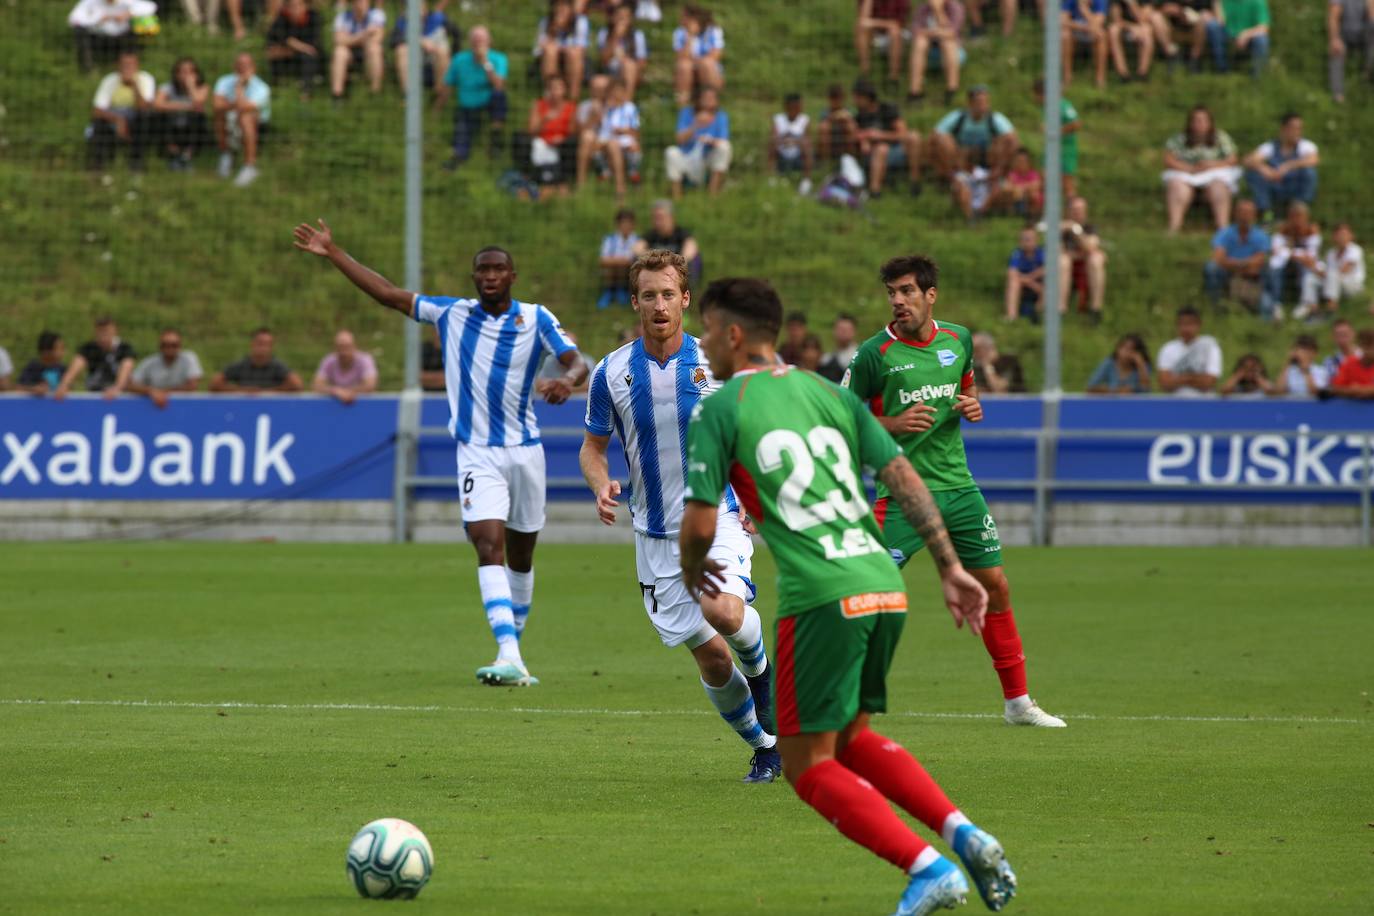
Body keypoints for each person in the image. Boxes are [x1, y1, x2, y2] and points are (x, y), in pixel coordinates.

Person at [682, 275, 1016, 916]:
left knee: (807, 765)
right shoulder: (824, 393)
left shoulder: (721, 407)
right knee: (854, 740)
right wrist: (948, 565)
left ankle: (926, 870)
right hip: (882, 583)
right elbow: (902, 476)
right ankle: (963, 832)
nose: (702, 343)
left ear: (731, 335)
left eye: (706, 329)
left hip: (820, 597)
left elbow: (699, 522)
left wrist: (693, 567)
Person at [293, 220, 588, 686]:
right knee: (486, 544)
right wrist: (334, 253)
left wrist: (566, 382)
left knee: (522, 556)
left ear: (513, 276)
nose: (490, 276)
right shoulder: (450, 314)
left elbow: (579, 362)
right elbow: (388, 294)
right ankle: (510, 654)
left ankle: (511, 647)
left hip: (525, 452)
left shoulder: (536, 318)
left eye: (499, 269)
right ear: (474, 278)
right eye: (482, 270)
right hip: (477, 453)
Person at [580, 250, 782, 784]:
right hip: (653, 536)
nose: (659, 304)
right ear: (635, 302)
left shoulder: (718, 363)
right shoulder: (612, 371)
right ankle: (766, 747)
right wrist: (602, 486)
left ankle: (765, 678)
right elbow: (592, 448)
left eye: (668, 293)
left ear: (686, 299)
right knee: (713, 661)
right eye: (649, 295)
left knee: (724, 612)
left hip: (718, 517)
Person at [845, 254, 1065, 727]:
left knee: (995, 585)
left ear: (930, 295)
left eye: (906, 291)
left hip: (959, 489)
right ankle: (837, 701)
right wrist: (892, 422)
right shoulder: (872, 355)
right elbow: (838, 421)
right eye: (891, 293)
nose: (897, 301)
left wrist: (972, 404)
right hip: (900, 495)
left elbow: (966, 387)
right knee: (864, 590)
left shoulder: (958, 339)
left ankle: (1017, 703)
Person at [438, 26, 508, 171]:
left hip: (489, 101)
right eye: (475, 40)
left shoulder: (499, 58)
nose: (478, 44)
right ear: (470, 43)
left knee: (499, 95)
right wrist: (438, 107)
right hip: (468, 105)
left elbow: (499, 85)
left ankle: (496, 137)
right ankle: (458, 157)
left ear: (489, 42)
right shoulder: (459, 59)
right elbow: (448, 85)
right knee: (462, 127)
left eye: (482, 40)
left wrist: (485, 63)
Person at [1162, 104, 1241, 234]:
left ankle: (1223, 228)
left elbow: (1232, 159)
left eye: (1203, 120)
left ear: (1210, 122)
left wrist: (1212, 165)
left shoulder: (1220, 137)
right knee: (1176, 186)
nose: (1199, 124)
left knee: (1219, 187)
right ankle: (1174, 227)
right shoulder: (1179, 138)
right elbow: (1168, 159)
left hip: (1213, 175)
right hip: (1187, 175)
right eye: (1196, 120)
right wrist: (1189, 168)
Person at [931, 86, 1018, 186]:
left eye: (986, 102)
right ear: (970, 103)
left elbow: (1012, 138)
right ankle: (949, 176)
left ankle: (998, 175)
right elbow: (936, 134)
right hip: (960, 157)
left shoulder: (995, 118)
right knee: (943, 139)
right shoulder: (959, 116)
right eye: (979, 102)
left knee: (1008, 140)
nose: (983, 106)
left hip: (988, 156)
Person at [86, 51, 155, 172]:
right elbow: (97, 111)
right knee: (98, 123)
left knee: (145, 118)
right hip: (114, 119)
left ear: (137, 65)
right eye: (124, 65)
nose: (127, 68)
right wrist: (118, 120)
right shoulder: (110, 80)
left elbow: (144, 107)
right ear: (118, 65)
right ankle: (98, 166)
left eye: (130, 65)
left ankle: (137, 163)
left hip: (136, 120)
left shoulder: (145, 79)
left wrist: (134, 86)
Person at [1243, 113, 1319, 222]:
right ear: (1284, 129)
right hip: (1275, 184)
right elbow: (1249, 160)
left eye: (1299, 128)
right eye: (1294, 128)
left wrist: (1288, 165)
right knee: (1254, 174)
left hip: (1294, 186)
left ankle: (1301, 208)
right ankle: (1265, 211)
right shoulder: (1270, 147)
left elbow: (1313, 159)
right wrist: (1264, 169)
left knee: (1309, 172)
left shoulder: (1305, 146)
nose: (1297, 132)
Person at [852, 81, 922, 197]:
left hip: (897, 149)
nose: (855, 101)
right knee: (882, 149)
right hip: (875, 153)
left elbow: (902, 133)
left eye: (857, 98)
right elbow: (857, 134)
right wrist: (864, 140)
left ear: (867, 98)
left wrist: (878, 135)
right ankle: (875, 191)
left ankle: (915, 181)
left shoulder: (887, 109)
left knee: (914, 137)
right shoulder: (858, 116)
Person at [213, 52, 272, 188]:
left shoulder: (262, 88)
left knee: (245, 116)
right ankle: (226, 154)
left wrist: (238, 88)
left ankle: (249, 165)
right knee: (219, 114)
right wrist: (235, 105)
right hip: (229, 120)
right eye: (239, 64)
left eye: (246, 65)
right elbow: (216, 105)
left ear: (253, 68)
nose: (242, 68)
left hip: (256, 125)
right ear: (234, 66)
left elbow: (244, 108)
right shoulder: (224, 81)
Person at [1204, 198, 1270, 313]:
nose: (1245, 216)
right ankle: (1216, 304)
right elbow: (1217, 258)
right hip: (1229, 273)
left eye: (1248, 213)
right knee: (1211, 268)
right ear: (1235, 214)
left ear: (1254, 216)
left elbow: (1259, 261)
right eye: (1242, 212)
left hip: (1250, 277)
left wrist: (1232, 263)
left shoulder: (1261, 236)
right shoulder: (1224, 233)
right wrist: (1243, 264)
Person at [666, 87, 732, 199]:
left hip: (708, 156)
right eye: (705, 98)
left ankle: (713, 193)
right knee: (671, 152)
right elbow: (679, 139)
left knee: (724, 147)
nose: (708, 101)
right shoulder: (686, 113)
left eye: (712, 98)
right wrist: (695, 125)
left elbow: (723, 140)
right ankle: (677, 196)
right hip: (687, 154)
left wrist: (709, 140)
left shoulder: (721, 116)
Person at [55, 316, 136, 400]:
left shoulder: (125, 349)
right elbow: (75, 367)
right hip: (94, 393)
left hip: (119, 395)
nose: (103, 336)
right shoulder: (88, 348)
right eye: (100, 332)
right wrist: (64, 385)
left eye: (106, 332)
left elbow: (126, 369)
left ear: (115, 331)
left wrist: (117, 387)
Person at [1265, 202, 1322, 322]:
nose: (1297, 220)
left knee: (1305, 267)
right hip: (1285, 265)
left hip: (1303, 265)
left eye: (1300, 216)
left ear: (1306, 218)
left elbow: (1311, 256)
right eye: (1294, 216)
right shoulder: (1282, 231)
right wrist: (1296, 255)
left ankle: (1305, 302)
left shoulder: (1312, 232)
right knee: (1274, 268)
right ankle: (1277, 304)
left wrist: (1290, 253)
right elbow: (1276, 251)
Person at [588, 78, 641, 202]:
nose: (616, 95)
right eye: (614, 92)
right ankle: (620, 188)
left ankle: (619, 187)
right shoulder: (604, 109)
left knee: (615, 145)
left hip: (625, 143)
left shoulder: (630, 108)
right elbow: (602, 133)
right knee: (611, 144)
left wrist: (624, 131)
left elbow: (635, 132)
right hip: (607, 143)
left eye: (619, 92)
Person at [153, 57, 210, 171]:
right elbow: (157, 104)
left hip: (190, 127)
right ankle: (174, 155)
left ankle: (187, 156)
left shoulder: (202, 87)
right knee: (160, 116)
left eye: (190, 72)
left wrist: (191, 86)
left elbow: (198, 104)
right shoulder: (167, 87)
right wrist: (187, 106)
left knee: (199, 116)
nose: (187, 75)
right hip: (172, 126)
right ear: (176, 74)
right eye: (183, 72)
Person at [210, 327, 303, 393]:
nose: (263, 348)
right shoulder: (241, 365)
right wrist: (241, 391)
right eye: (260, 343)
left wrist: (269, 392)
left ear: (272, 347)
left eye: (267, 344)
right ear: (252, 344)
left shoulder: (277, 366)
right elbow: (214, 384)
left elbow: (297, 384)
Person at [1058, 196, 1108, 318]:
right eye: (1074, 209)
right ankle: (1060, 309)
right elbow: (1055, 250)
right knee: (1062, 261)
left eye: (1080, 209)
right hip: (1067, 264)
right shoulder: (1061, 228)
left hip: (1086, 264)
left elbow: (1090, 248)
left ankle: (1095, 309)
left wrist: (1076, 231)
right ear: (1068, 211)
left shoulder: (1090, 228)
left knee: (1096, 260)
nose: (1077, 213)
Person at [908, 0, 966, 105]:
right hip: (929, 50)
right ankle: (915, 91)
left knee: (948, 43)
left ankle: (951, 89)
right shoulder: (923, 9)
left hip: (952, 51)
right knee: (920, 43)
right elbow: (916, 31)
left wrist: (938, 11)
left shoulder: (955, 7)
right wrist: (936, 33)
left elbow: (952, 32)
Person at [127, 328, 203, 408]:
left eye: (174, 345)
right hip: (153, 409)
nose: (170, 348)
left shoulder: (189, 358)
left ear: (180, 345)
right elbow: (130, 385)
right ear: (160, 346)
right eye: (166, 345)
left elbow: (192, 386)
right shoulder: (149, 362)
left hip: (184, 408)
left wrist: (162, 393)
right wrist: (151, 391)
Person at [1156, 305, 1222, 395]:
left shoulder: (1210, 346)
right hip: (1175, 404)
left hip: (1204, 404)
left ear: (1199, 325)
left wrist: (1179, 379)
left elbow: (1209, 383)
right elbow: (1164, 383)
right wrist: (1195, 379)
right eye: (1182, 324)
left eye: (1190, 324)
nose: (1185, 328)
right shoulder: (1168, 348)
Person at [526, 75, 577, 189]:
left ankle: (563, 179)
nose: (555, 92)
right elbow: (531, 131)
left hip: (561, 144)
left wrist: (562, 139)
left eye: (558, 88)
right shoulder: (539, 105)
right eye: (552, 88)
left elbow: (573, 131)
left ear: (564, 90)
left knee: (572, 142)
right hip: (541, 141)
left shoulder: (571, 107)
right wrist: (544, 121)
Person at [1031, 79, 1079, 199]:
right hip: (1052, 150)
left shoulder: (1062, 105)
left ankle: (1072, 213)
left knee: (1067, 183)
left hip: (1066, 150)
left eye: (1037, 95)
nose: (1035, 98)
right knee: (1045, 179)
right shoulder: (1046, 108)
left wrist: (1055, 132)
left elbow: (1076, 124)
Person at [391, 1, 451, 96]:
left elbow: (457, 34)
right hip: (414, 63)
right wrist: (419, 40)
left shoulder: (437, 18)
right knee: (401, 50)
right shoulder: (402, 22)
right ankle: (408, 95)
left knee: (443, 52)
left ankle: (439, 94)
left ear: (425, 7)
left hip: (435, 61)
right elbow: (394, 40)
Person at [534, 0, 590, 101]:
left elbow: (581, 48)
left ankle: (573, 98)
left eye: (565, 6)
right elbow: (539, 49)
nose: (561, 9)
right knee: (550, 51)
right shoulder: (545, 22)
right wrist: (553, 31)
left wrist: (562, 47)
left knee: (573, 54)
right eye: (558, 5)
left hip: (573, 58)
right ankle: (550, 94)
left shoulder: (580, 21)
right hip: (550, 57)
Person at [330, 0, 386, 101]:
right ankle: (337, 95)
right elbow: (338, 40)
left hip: (367, 51)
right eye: (358, 2)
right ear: (352, 4)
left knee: (375, 49)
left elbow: (378, 38)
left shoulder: (376, 15)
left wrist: (350, 39)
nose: (361, 5)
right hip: (350, 53)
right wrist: (364, 35)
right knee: (339, 52)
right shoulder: (342, 17)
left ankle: (375, 93)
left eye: (364, 2)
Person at [266, 0, 323, 97]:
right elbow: (270, 51)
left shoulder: (314, 17)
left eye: (299, 5)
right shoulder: (281, 19)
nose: (295, 9)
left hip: (310, 61)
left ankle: (306, 93)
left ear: (306, 5)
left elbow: (313, 49)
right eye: (291, 6)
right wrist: (299, 46)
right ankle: (279, 87)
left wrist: (290, 43)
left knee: (308, 57)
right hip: (288, 61)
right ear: (287, 8)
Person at [634, 200, 701, 283]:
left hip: (677, 275)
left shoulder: (682, 234)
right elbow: (637, 248)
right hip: (654, 274)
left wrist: (672, 265)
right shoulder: (650, 235)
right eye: (655, 218)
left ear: (671, 217)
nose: (657, 221)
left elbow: (690, 249)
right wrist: (654, 262)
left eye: (660, 217)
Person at [672, 4, 725, 106]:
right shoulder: (679, 33)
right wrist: (690, 37)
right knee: (684, 65)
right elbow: (681, 57)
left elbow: (716, 56)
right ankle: (682, 102)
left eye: (684, 17)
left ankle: (710, 100)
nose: (681, 19)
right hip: (690, 69)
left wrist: (697, 61)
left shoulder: (713, 30)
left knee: (707, 63)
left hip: (708, 69)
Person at [69, 0, 142, 73]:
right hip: (97, 38)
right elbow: (74, 19)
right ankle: (88, 69)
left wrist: (130, 14)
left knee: (143, 25)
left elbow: (149, 7)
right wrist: (97, 19)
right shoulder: (89, 2)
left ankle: (131, 67)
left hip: (123, 37)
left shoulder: (127, 2)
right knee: (80, 32)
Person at [1315, 222, 1367, 318]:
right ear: (1334, 237)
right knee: (1311, 279)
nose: (1341, 237)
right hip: (1335, 284)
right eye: (1338, 235)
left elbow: (1344, 270)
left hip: (1353, 286)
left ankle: (1331, 308)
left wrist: (1324, 274)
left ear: (1351, 236)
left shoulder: (1356, 250)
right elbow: (1326, 272)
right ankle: (1312, 308)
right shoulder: (1330, 253)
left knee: (1332, 275)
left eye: (1344, 234)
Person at [596, 2, 648, 97]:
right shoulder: (604, 33)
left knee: (629, 66)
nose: (622, 20)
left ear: (631, 19)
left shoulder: (638, 35)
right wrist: (615, 38)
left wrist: (625, 61)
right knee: (597, 82)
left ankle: (627, 105)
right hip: (610, 73)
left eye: (625, 17)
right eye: (619, 16)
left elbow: (642, 63)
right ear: (613, 17)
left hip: (630, 73)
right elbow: (603, 60)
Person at [312, 329, 378, 404]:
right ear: (335, 348)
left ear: (354, 346)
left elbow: (370, 385)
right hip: (334, 408)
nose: (344, 352)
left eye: (347, 347)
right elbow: (317, 385)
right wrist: (335, 391)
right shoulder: (329, 360)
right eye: (340, 347)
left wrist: (349, 392)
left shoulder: (365, 360)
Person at [1206, 0, 1269, 77]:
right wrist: (1217, 3)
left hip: (1249, 39)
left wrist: (1246, 34)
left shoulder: (1258, 2)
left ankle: (1257, 76)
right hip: (1228, 35)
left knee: (1261, 39)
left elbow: (1264, 28)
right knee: (1213, 26)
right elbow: (1220, 21)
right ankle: (1222, 71)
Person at [1328, 0, 1374, 103]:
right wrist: (1334, 39)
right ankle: (1338, 94)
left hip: (1364, 34)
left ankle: (1367, 75)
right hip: (1344, 34)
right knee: (1335, 52)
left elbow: (1372, 20)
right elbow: (1333, 17)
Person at [856, 0, 910, 84]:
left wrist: (873, 22)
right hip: (877, 32)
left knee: (895, 32)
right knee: (861, 29)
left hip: (899, 32)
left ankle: (893, 79)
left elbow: (898, 24)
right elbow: (863, 20)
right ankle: (865, 73)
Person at [768, 92, 814, 192]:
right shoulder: (778, 119)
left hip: (798, 155)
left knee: (807, 145)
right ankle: (771, 178)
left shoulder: (804, 120)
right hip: (782, 155)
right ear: (787, 106)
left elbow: (807, 139)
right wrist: (790, 141)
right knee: (772, 144)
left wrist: (792, 141)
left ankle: (806, 181)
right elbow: (774, 137)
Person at [1153, 0, 1214, 71]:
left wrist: (1185, 15)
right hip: (1171, 26)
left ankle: (1194, 60)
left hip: (1193, 27)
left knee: (1203, 18)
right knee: (1156, 17)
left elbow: (1206, 10)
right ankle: (1171, 55)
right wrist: (1169, 10)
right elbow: (1157, 7)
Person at [1060, 0, 1109, 89]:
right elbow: (1062, 21)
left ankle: (1100, 78)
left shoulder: (1101, 1)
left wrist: (1085, 10)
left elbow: (1098, 23)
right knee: (1065, 35)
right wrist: (1082, 27)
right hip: (1077, 29)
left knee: (1101, 35)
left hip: (1092, 31)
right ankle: (1067, 77)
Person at [573, 73, 611, 186]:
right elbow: (578, 131)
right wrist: (592, 118)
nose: (598, 91)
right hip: (591, 140)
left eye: (602, 88)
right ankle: (581, 181)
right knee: (587, 136)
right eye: (595, 88)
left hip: (610, 138)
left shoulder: (615, 105)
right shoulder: (584, 106)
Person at [597, 207, 638, 309]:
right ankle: (610, 290)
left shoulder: (637, 240)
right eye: (623, 223)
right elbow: (603, 260)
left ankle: (622, 290)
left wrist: (615, 260)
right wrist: (623, 261)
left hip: (628, 271)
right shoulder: (610, 239)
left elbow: (635, 259)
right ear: (618, 224)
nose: (626, 226)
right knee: (610, 267)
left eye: (628, 223)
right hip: (612, 271)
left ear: (633, 224)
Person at [1086, 333, 1152, 393]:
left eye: (1131, 350)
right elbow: (1091, 387)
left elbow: (1145, 390)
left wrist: (1140, 364)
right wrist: (1116, 390)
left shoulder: (1143, 366)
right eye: (1124, 348)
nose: (1125, 353)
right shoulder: (1109, 363)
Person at [1004, 227, 1046, 321]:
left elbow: (1046, 270)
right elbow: (1012, 273)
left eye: (1030, 239)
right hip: (1023, 284)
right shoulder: (1017, 253)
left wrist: (1031, 277)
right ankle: (1011, 316)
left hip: (1039, 285)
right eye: (1024, 239)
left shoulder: (1042, 253)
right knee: (1013, 283)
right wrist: (1030, 282)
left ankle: (1039, 313)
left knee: (1049, 286)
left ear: (1036, 240)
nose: (1027, 242)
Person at [1108, 0, 1156, 81]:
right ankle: (1123, 74)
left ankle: (1142, 73)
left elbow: (1143, 19)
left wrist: (1132, 4)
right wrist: (1131, 27)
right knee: (1113, 30)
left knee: (1147, 30)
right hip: (1124, 27)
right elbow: (1116, 19)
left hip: (1141, 26)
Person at [988, 146, 1041, 219]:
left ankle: (1031, 214)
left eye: (1024, 161)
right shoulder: (1013, 174)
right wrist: (1016, 189)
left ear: (1029, 162)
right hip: (1015, 196)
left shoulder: (1033, 174)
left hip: (1027, 196)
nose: (1021, 164)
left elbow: (1036, 185)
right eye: (1019, 161)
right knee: (1006, 192)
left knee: (1034, 194)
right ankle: (1015, 211)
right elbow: (1006, 186)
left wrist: (1021, 188)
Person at [15, 332, 69, 397]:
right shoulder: (33, 368)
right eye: (60, 349)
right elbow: (19, 387)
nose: (63, 352)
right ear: (46, 352)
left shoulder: (62, 369)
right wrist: (34, 389)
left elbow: (68, 388)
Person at [1329, 328, 1374, 399]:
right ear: (1363, 347)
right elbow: (1335, 388)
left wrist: (1362, 390)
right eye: (1370, 347)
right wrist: (1352, 391)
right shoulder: (1350, 363)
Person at [818, 313, 860, 383]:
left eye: (846, 329)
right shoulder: (826, 358)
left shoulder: (859, 355)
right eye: (840, 329)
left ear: (854, 331)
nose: (843, 332)